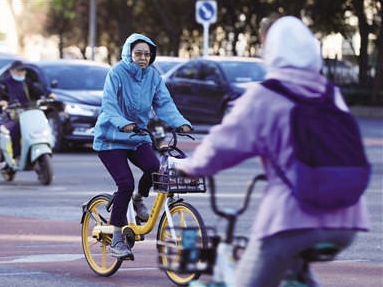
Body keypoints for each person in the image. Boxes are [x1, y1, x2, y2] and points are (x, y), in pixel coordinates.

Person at [177, 16, 370, 286]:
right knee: (295, 273)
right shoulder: (330, 93)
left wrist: (189, 167)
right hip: (348, 218)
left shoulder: (265, 95)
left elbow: (223, 144)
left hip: (292, 220)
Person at [93, 33, 192, 259]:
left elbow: (164, 103)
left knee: (155, 167)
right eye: (138, 53)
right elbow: (108, 105)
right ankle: (117, 238)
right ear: (129, 53)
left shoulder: (153, 77)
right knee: (125, 183)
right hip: (111, 138)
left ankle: (138, 198)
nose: (143, 58)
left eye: (147, 54)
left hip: (137, 136)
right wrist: (123, 124)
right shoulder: (116, 73)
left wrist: (180, 122)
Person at [0, 60, 55, 164]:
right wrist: (1, 101)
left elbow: (38, 92)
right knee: (16, 129)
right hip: (11, 114)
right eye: (18, 71)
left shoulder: (26, 82)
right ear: (11, 71)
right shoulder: (4, 83)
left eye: (23, 71)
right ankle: (16, 156)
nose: (21, 73)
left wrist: (48, 95)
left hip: (25, 113)